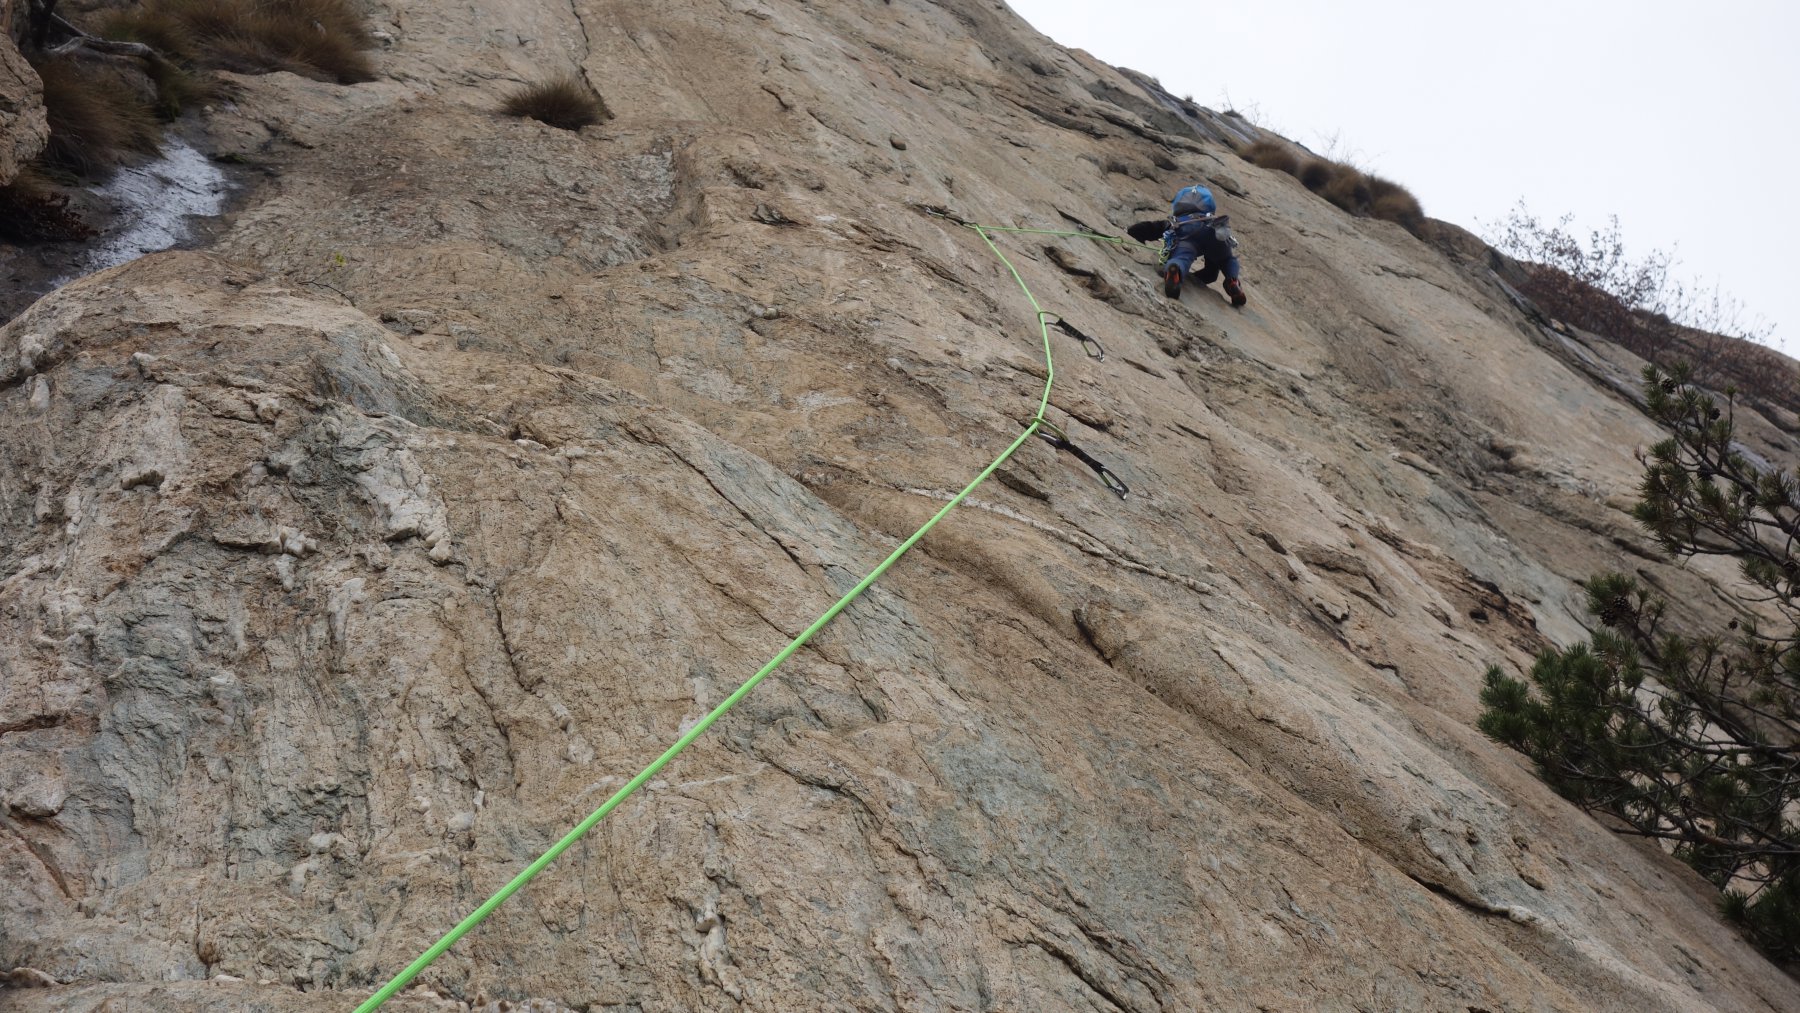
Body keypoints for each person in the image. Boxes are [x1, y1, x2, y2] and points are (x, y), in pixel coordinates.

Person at [1159, 184, 1245, 306]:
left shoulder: (1180, 220)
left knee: (1182, 257)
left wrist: (1133, 232)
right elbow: (1211, 275)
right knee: (1227, 259)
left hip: (1189, 234)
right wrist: (1194, 278)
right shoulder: (1210, 218)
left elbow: (1153, 227)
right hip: (1215, 231)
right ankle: (1233, 281)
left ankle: (1175, 270)